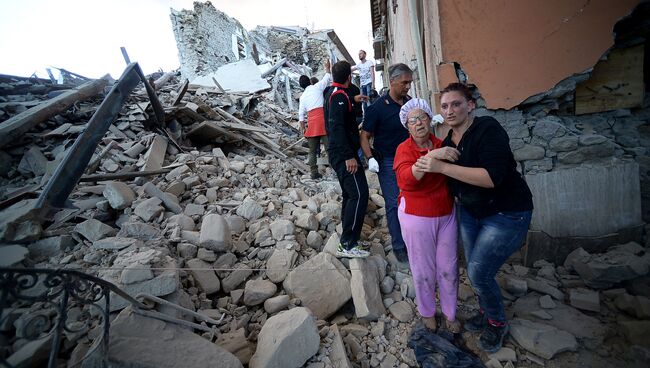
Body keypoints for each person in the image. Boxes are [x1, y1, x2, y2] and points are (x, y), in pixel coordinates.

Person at [414, 83, 534, 353]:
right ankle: (485, 310)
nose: (450, 110)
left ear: (470, 105)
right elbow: (427, 174)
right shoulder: (447, 143)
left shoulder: (487, 129)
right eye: (444, 106)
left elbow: (491, 178)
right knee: (475, 268)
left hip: (506, 212)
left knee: (479, 272)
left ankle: (496, 322)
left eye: (456, 104)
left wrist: (441, 166)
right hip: (471, 212)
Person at [394, 98, 461, 333]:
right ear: (407, 126)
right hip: (417, 215)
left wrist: (439, 152)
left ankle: (450, 313)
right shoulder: (404, 149)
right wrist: (434, 156)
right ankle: (427, 311)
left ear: (430, 120)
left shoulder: (441, 143)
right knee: (423, 268)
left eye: (422, 117)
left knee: (448, 267)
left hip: (446, 213)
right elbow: (407, 180)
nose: (419, 123)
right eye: (413, 120)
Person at [360, 63, 413, 263]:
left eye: (409, 82)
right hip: (389, 161)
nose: (407, 86)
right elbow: (364, 136)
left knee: (413, 200)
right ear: (392, 81)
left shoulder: (410, 104)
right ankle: (399, 244)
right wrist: (370, 158)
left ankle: (414, 239)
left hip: (411, 159)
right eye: (404, 82)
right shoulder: (377, 108)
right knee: (393, 203)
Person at [324, 60, 370, 258]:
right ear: (349, 78)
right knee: (360, 194)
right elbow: (337, 128)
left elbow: (343, 104)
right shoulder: (338, 98)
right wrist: (349, 156)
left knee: (351, 194)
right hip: (344, 155)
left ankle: (348, 238)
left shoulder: (333, 93)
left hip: (340, 153)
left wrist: (354, 99)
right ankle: (348, 244)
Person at [298, 59, 332, 179]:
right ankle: (336, 171)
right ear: (309, 81)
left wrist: (303, 129)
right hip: (323, 121)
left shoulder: (302, 97)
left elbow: (301, 116)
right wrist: (327, 67)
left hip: (312, 124)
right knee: (329, 148)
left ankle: (314, 173)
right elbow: (327, 77)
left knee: (312, 151)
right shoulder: (317, 87)